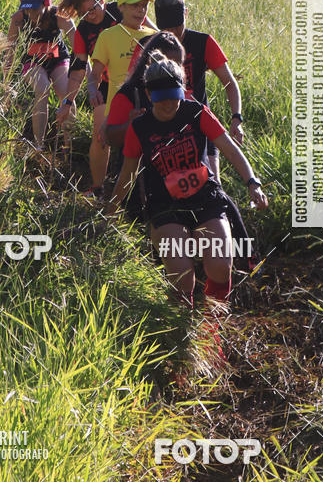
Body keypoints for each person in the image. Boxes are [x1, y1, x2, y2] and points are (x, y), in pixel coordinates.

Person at [108, 53, 268, 310]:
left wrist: (252, 182)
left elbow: (229, 149)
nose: (170, 106)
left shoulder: (197, 113)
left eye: (175, 97)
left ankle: (212, 330)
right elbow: (126, 175)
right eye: (162, 101)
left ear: (182, 91)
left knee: (219, 264)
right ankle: (182, 330)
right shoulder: (139, 128)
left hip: (205, 199)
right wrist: (111, 211)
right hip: (164, 206)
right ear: (149, 96)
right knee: (182, 276)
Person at [134, 0, 244, 182]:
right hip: (160, 125)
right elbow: (134, 84)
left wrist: (236, 117)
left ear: (186, 14)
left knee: (213, 181)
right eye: (167, 28)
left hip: (198, 121)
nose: (173, 32)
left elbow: (228, 81)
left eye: (178, 25)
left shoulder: (203, 42)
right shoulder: (147, 46)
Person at [55, 0, 122, 195]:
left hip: (135, 81)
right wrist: (67, 102)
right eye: (84, 13)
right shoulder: (83, 30)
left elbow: (149, 33)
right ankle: (98, 187)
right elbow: (77, 70)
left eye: (93, 8)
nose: (90, 15)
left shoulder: (119, 11)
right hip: (105, 84)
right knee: (100, 135)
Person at [5, 0, 76, 151]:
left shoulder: (60, 16)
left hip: (58, 59)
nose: (32, 15)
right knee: (42, 89)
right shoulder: (18, 19)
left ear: (46, 4)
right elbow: (10, 51)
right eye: (28, 10)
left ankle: (70, 145)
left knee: (66, 94)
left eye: (36, 10)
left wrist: (84, 65)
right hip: (33, 62)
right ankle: (39, 146)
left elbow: (77, 44)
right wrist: (5, 82)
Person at [88, 0, 154, 119]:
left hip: (149, 112)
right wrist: (93, 91)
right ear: (121, 7)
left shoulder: (154, 37)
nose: (141, 10)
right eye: (135, 5)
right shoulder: (108, 36)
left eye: (144, 5)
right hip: (117, 110)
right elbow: (95, 74)